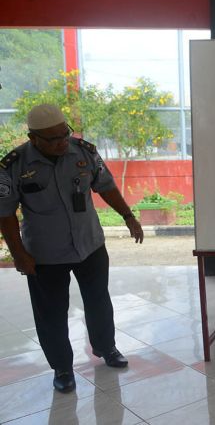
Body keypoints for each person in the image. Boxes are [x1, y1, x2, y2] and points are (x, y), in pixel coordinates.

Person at [0, 104, 144, 393]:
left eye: (63, 134)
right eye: (52, 139)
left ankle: (107, 348)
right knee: (51, 313)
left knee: (99, 301)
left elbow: (106, 186)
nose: (61, 142)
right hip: (44, 253)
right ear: (33, 138)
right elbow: (5, 213)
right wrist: (19, 255)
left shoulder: (84, 152)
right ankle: (62, 367)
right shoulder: (14, 165)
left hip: (89, 245)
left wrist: (128, 217)